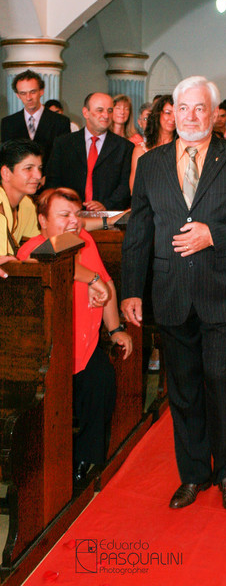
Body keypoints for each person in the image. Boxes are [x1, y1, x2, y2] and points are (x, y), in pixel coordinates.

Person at [121, 76, 226, 513]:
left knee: (221, 380)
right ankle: (193, 475)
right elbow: (138, 232)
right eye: (182, 108)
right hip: (169, 290)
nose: (190, 116)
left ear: (213, 113)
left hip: (219, 288)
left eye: (199, 108)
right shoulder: (151, 164)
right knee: (183, 387)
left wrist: (214, 235)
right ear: (173, 113)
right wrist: (131, 290)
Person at [17, 188, 132, 483]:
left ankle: (84, 460)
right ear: (42, 220)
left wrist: (116, 329)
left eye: (76, 215)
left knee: (102, 382)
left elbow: (107, 284)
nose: (73, 222)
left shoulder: (86, 240)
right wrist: (93, 281)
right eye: (64, 215)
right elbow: (55, 261)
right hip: (51, 351)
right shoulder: (31, 249)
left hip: (86, 343)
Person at [46, 92, 134, 211]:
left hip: (108, 219)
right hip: (69, 215)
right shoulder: (63, 144)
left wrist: (106, 206)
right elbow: (53, 182)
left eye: (109, 110)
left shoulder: (125, 147)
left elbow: (125, 186)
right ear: (85, 113)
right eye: (100, 110)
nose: (106, 115)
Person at [1, 70, 71, 169]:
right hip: (20, 182)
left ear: (41, 91)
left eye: (32, 92)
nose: (28, 98)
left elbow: (64, 157)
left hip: (50, 181)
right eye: (23, 93)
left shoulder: (60, 122)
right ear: (18, 95)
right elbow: (8, 158)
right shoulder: (8, 123)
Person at [0, 139, 42, 255]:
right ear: (6, 173)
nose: (38, 176)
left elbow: (38, 246)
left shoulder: (26, 204)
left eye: (39, 168)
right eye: (29, 168)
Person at [129, 94, 176, 191]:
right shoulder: (141, 150)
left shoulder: (182, 147)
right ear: (158, 114)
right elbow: (134, 189)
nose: (173, 118)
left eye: (176, 113)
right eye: (168, 113)